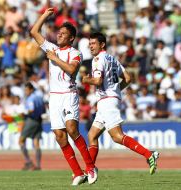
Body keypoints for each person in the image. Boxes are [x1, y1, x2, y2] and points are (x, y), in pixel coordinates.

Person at [30, 8, 97, 185]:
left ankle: (90, 167)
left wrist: (54, 58)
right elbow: (34, 32)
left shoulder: (75, 53)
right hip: (54, 98)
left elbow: (71, 69)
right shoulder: (51, 47)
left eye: (63, 34)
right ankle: (77, 173)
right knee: (59, 136)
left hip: (68, 94)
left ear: (71, 38)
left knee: (72, 129)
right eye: (59, 32)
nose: (59, 35)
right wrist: (45, 16)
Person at [82, 32, 159, 175]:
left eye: (93, 43)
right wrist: (116, 91)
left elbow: (98, 81)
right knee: (92, 135)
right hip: (108, 100)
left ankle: (149, 154)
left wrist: (87, 80)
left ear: (102, 44)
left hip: (107, 102)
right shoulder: (112, 59)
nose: (90, 46)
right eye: (90, 43)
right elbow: (128, 78)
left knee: (117, 136)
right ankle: (90, 169)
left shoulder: (98, 59)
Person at [19, 82, 45, 171]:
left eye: (26, 90)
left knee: (21, 141)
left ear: (31, 89)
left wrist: (23, 113)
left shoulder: (31, 98)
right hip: (39, 120)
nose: (26, 92)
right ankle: (38, 165)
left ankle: (28, 162)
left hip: (31, 120)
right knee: (36, 143)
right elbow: (44, 109)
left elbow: (31, 110)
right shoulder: (39, 97)